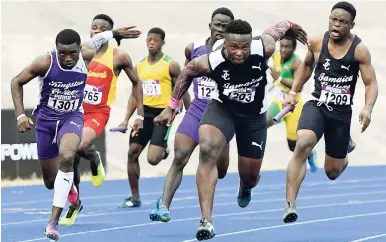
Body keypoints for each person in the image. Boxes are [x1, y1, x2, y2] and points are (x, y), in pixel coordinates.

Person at [154, 19, 308, 240]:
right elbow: (188, 70)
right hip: (222, 109)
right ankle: (205, 220)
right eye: (233, 47)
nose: (239, 53)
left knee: (250, 176)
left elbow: (278, 28)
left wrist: (292, 25)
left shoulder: (263, 47)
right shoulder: (212, 60)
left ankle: (245, 186)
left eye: (244, 47)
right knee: (207, 148)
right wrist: (172, 106)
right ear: (224, 43)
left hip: (254, 116)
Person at [10, 27, 141, 241]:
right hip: (45, 120)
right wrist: (20, 115)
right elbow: (16, 81)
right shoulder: (45, 62)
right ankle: (72, 195)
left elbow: (99, 39)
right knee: (51, 182)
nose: (68, 58)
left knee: (69, 155)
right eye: (62, 53)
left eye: (73, 53)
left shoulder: (87, 53)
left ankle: (53, 222)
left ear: (80, 50)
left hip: (72, 116)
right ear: (56, 50)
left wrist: (115, 33)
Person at [282, 1, 378, 224]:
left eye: (342, 22)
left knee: (332, 172)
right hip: (317, 104)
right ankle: (290, 205)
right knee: (303, 143)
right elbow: (306, 66)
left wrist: (367, 108)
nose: (336, 24)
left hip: (341, 113)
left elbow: (371, 83)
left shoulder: (359, 50)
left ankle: (344, 149)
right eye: (333, 19)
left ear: (352, 25)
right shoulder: (316, 42)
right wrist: (293, 92)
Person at [149, 7, 234, 223]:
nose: (221, 30)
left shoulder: (235, 54)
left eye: (226, 27)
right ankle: (164, 206)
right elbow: (185, 77)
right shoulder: (193, 48)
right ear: (210, 25)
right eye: (218, 25)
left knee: (221, 170)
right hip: (197, 110)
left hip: (221, 115)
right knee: (179, 156)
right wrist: (173, 106)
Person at [58, 14, 144, 226]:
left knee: (79, 146)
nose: (96, 31)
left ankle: (94, 157)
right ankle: (74, 203)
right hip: (75, 111)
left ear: (108, 32)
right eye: (93, 27)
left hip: (97, 113)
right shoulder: (79, 54)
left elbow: (137, 83)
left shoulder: (119, 56)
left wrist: (139, 114)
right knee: (70, 159)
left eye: (101, 28)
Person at [117, 27, 189, 208]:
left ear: (162, 43)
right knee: (132, 152)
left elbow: (182, 86)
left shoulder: (170, 64)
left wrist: (187, 109)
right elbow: (135, 94)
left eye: (155, 40)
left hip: (162, 114)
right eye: (148, 40)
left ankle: (163, 150)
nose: (151, 43)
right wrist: (126, 118)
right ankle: (135, 197)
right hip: (144, 113)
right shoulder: (139, 66)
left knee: (153, 159)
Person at [267, 36, 319, 172]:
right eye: (282, 46)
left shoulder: (296, 63)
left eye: (287, 47)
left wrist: (279, 78)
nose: (284, 49)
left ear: (293, 48)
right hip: (279, 101)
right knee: (262, 122)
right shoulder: (276, 56)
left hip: (293, 106)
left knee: (293, 145)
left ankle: (311, 154)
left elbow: (299, 87)